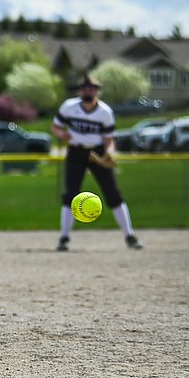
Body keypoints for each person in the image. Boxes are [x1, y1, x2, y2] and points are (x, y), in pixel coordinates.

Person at [51, 74, 143, 251]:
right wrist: (62, 134)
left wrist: (109, 153)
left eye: (92, 88)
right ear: (80, 90)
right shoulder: (70, 106)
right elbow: (55, 126)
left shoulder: (105, 112)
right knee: (70, 194)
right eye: (85, 88)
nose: (88, 91)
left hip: (97, 152)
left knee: (113, 195)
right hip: (76, 152)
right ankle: (64, 238)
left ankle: (129, 235)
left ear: (97, 91)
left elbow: (109, 139)